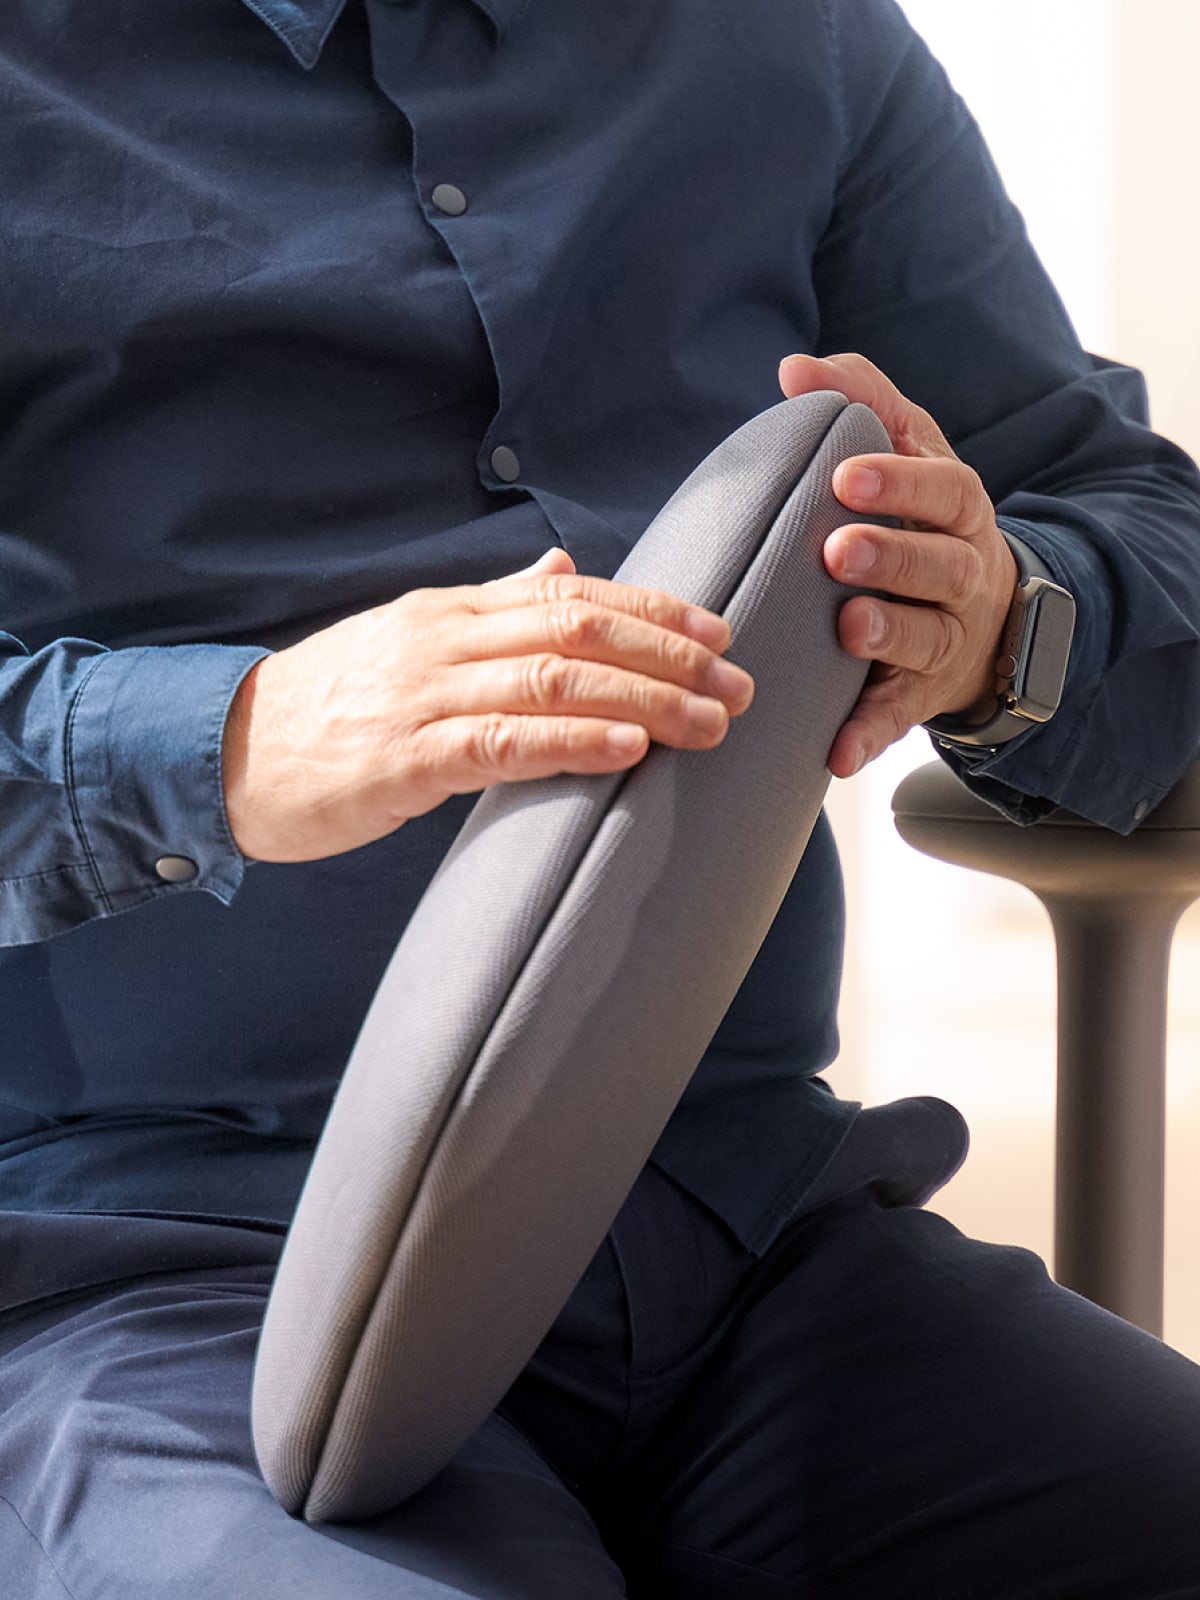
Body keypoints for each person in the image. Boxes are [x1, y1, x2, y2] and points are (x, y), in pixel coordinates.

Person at [2, 0, 1200, 1594]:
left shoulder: (787, 39)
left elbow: (1128, 518)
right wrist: (228, 741)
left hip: (750, 1234)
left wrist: (999, 619)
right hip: (158, 1275)